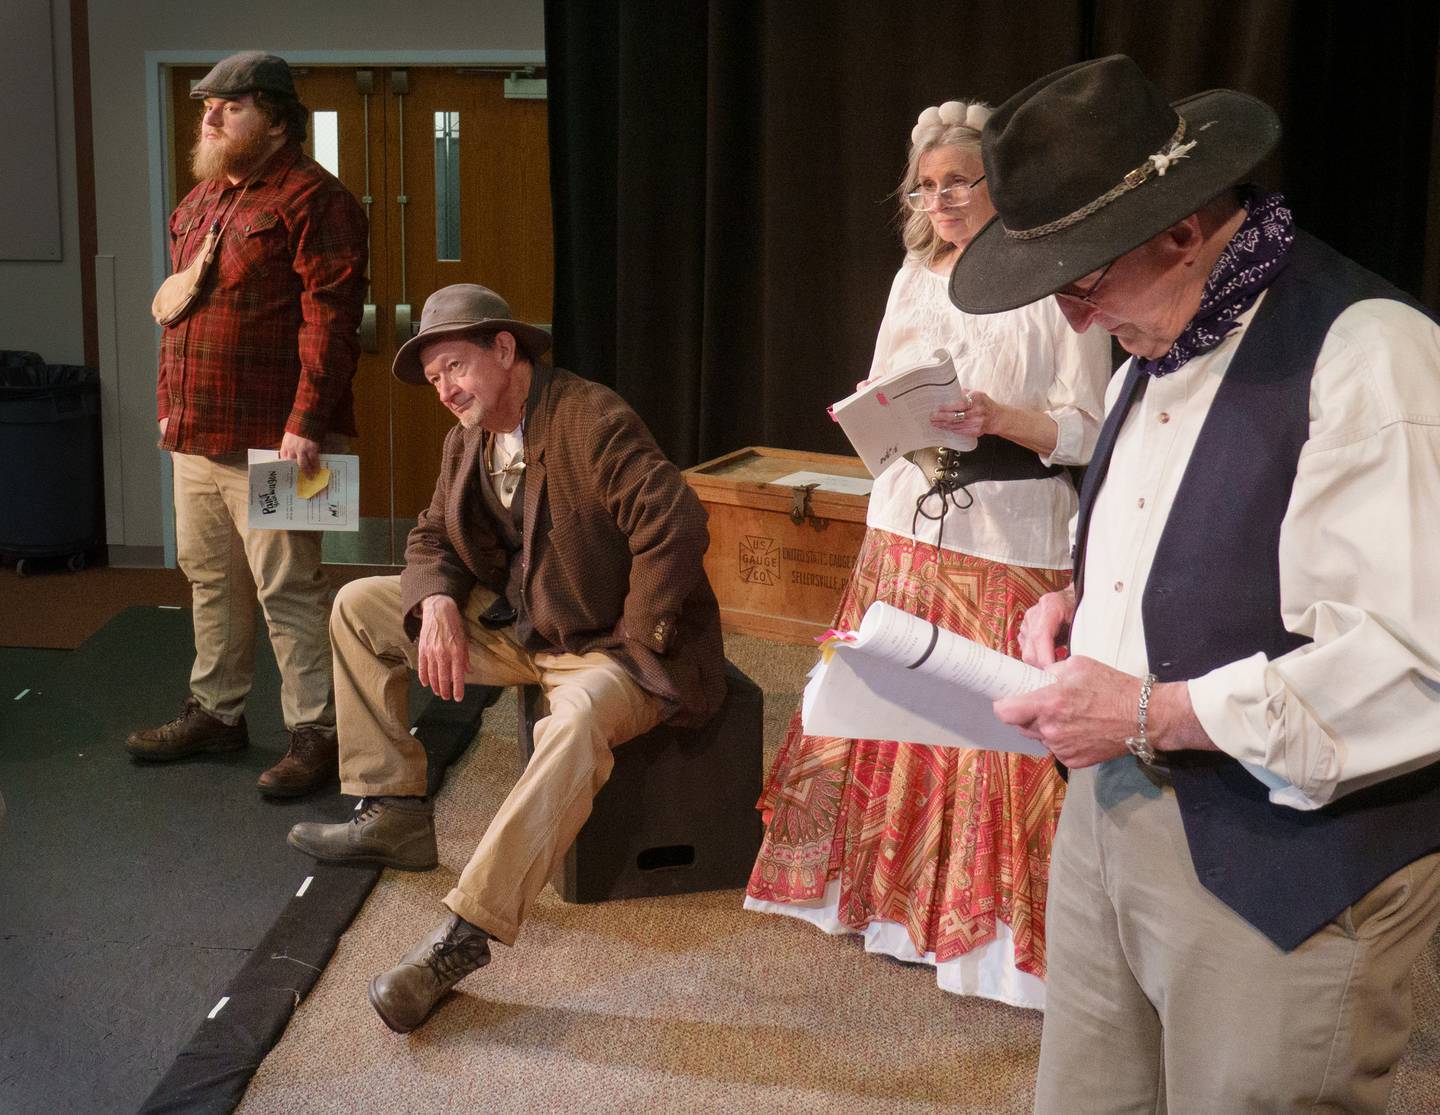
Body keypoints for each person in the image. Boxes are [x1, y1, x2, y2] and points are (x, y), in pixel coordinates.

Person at [947, 55, 1440, 1111]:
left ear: (1180, 230)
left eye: (1082, 277)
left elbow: (1412, 664)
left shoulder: (1372, 354)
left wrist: (1149, 706)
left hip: (1283, 854)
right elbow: (1196, 535)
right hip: (1110, 818)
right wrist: (1090, 602)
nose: (1075, 319)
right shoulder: (1149, 344)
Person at [744, 100, 1110, 1007]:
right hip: (906, 518)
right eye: (929, 184)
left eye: (959, 181)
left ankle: (983, 945)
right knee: (895, 704)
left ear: (998, 184)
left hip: (1009, 530)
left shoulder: (1057, 277)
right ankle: (888, 906)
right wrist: (873, 407)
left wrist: (998, 417)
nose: (941, 198)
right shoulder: (916, 270)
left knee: (990, 730)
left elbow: (1092, 427)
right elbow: (881, 374)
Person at [286, 283, 726, 1033]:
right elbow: (430, 535)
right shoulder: (470, 439)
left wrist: (637, 634)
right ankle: (392, 806)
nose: (446, 388)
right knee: (359, 606)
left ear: (504, 348)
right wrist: (434, 607)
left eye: (454, 366)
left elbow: (677, 522)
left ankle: (463, 937)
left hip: (611, 650)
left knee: (577, 718)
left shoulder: (590, 417)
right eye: (434, 380)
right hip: (529, 634)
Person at [126, 52, 367, 798]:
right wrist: (170, 409)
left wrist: (307, 421)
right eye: (206, 105)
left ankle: (316, 733)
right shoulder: (201, 201)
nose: (209, 116)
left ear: (274, 117)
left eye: (228, 106)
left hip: (279, 440)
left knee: (289, 587)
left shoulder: (315, 199)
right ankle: (218, 712)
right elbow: (182, 317)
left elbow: (331, 321)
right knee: (209, 578)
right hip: (195, 435)